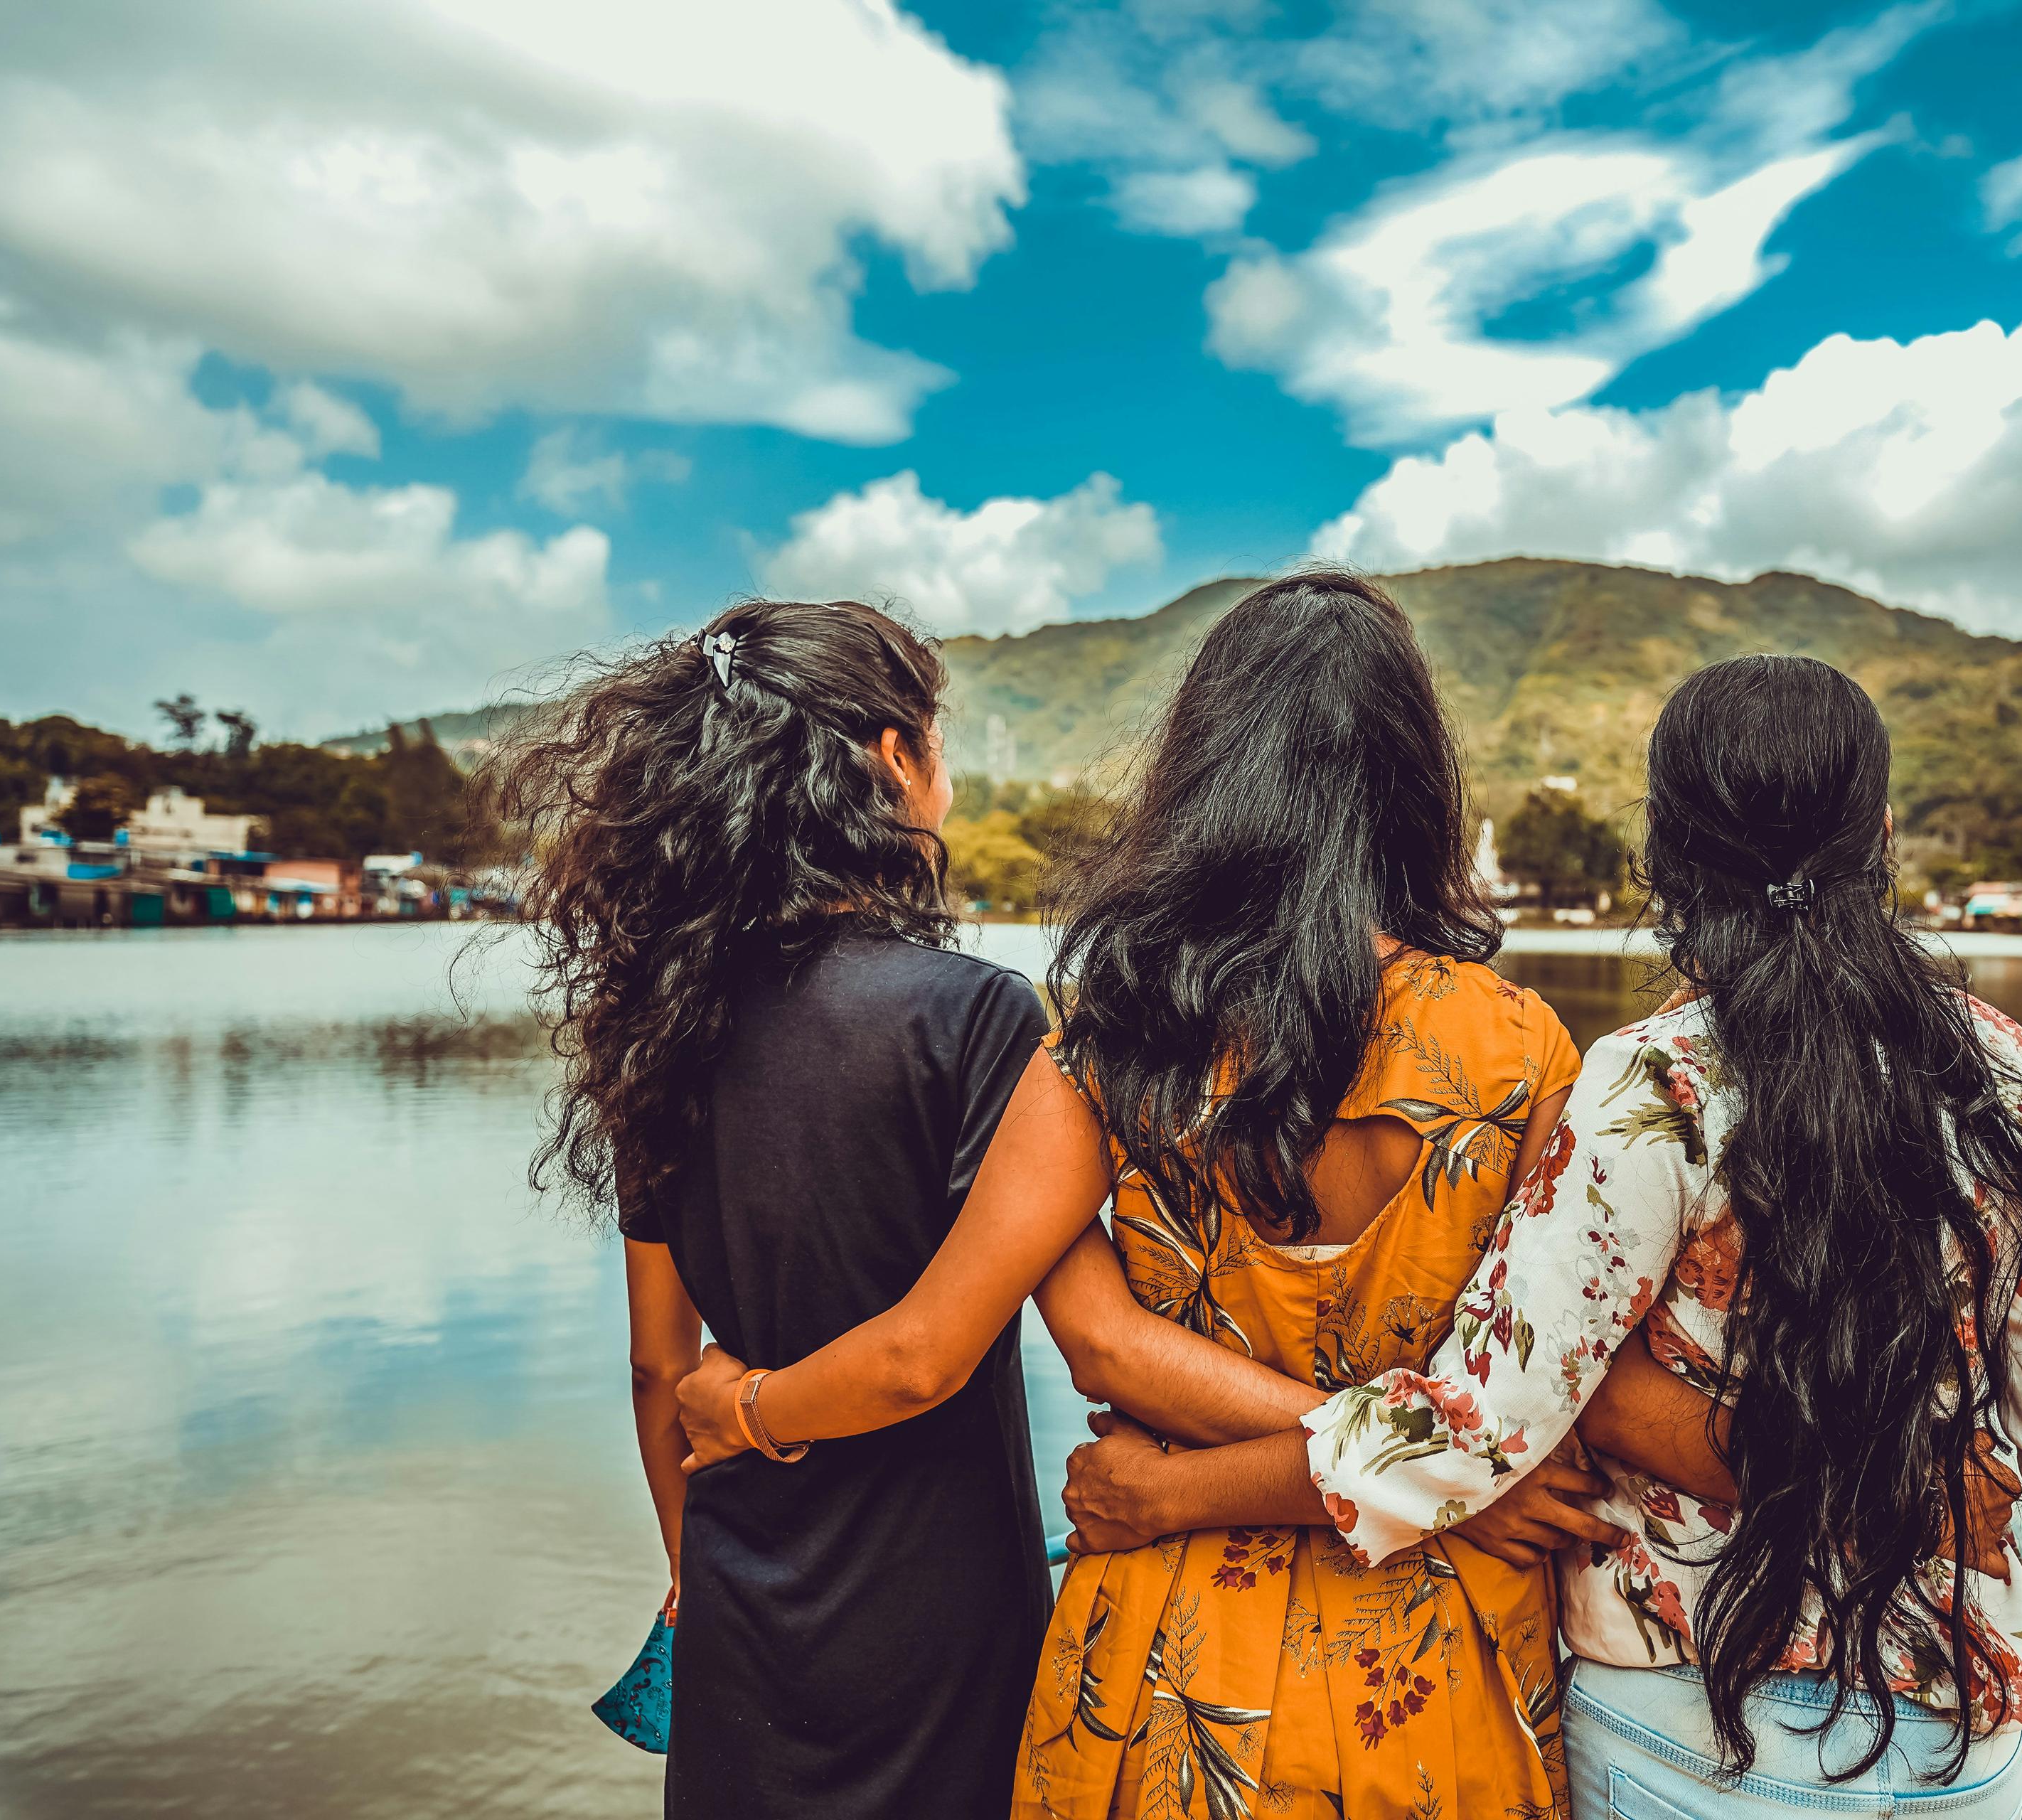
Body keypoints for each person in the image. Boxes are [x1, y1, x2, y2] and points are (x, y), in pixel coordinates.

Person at [1059, 654, 2022, 1818]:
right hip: (1950, 1736)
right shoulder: (2017, 1087)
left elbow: (1476, 1422)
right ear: (1886, 839)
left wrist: (1170, 1497)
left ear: (1661, 859)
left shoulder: (1655, 1089)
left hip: (1687, 1722)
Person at [675, 572, 1635, 1819]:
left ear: (1203, 775)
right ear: (1412, 784)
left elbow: (1101, 1343)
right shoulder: (1524, 1052)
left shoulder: (1110, 1047)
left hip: (1171, 1644)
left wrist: (752, 1407)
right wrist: (1443, 1474)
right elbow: (1540, 1392)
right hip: (1434, 1643)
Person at [495, 599, 1332, 1818]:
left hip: (737, 1596)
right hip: (933, 1620)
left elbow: (653, 1364)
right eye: (936, 740)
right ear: (894, 759)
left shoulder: (661, 1026)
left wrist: (696, 1570)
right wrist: (1417, 1454)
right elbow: (955, 1358)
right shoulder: (977, 1020)